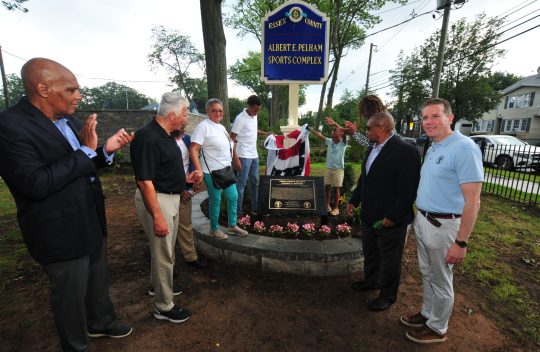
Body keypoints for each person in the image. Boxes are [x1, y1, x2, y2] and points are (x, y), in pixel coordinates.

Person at [0, 57, 133, 351]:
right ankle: (76, 346)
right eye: (71, 90)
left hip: (91, 218)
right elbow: (35, 184)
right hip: (58, 229)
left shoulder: (70, 120)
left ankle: (101, 321)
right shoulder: (9, 126)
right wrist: (86, 150)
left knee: (97, 280)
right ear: (43, 88)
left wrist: (104, 151)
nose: (79, 96)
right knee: (70, 296)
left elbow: (82, 162)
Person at [400, 98, 483, 344]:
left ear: (450, 117)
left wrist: (461, 243)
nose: (428, 122)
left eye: (435, 116)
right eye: (425, 117)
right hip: (424, 220)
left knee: (441, 278)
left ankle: (438, 328)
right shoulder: (435, 145)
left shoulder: (464, 148)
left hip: (444, 226)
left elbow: (473, 201)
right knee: (427, 272)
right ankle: (428, 314)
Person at [131, 92, 201, 324]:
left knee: (164, 252)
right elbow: (145, 181)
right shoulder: (147, 137)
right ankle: (164, 306)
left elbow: (163, 171)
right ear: (171, 114)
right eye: (184, 114)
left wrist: (186, 180)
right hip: (157, 201)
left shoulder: (166, 135)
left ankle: (156, 286)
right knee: (164, 255)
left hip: (169, 197)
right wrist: (158, 216)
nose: (186, 118)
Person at [347, 112, 421, 311]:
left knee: (390, 260)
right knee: (370, 252)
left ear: (381, 128)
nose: (366, 131)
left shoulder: (406, 151)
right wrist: (354, 199)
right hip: (370, 214)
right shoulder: (372, 147)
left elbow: (408, 190)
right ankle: (371, 282)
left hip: (391, 219)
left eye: (369, 128)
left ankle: (387, 295)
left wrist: (392, 216)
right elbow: (366, 177)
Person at [189, 98, 248, 240]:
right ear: (208, 111)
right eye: (214, 110)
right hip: (211, 171)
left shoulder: (221, 127)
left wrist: (235, 159)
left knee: (233, 197)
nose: (218, 113)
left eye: (220, 110)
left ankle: (232, 226)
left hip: (226, 169)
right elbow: (193, 148)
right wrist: (198, 170)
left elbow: (230, 144)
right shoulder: (203, 126)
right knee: (215, 200)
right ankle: (214, 229)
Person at [230, 95, 271, 215]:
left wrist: (266, 133)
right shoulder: (240, 118)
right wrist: (235, 158)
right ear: (254, 106)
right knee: (241, 184)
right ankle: (238, 213)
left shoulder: (254, 116)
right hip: (243, 156)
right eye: (258, 108)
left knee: (254, 182)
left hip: (254, 155)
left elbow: (253, 130)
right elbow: (232, 138)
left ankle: (255, 208)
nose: (259, 110)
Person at [172, 127, 207, 269]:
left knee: (186, 225)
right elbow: (167, 169)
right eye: (182, 121)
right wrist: (180, 189)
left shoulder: (187, 139)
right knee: (169, 232)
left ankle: (191, 257)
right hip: (170, 191)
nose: (184, 126)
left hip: (186, 188)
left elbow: (192, 162)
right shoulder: (164, 141)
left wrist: (194, 181)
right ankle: (169, 266)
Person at [308, 127, 347, 215]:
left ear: (341, 135)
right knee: (327, 187)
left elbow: (345, 133)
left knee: (337, 188)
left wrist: (338, 127)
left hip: (338, 170)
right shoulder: (329, 141)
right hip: (329, 169)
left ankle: (336, 208)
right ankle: (327, 206)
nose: (334, 139)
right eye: (333, 137)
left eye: (336, 137)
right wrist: (310, 129)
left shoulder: (343, 143)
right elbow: (319, 135)